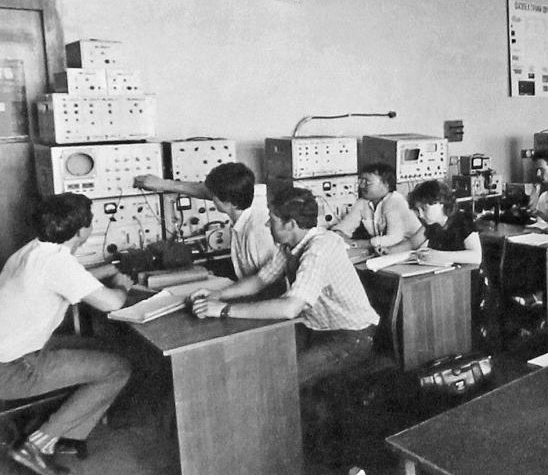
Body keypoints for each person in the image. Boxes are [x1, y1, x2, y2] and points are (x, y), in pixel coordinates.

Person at [0, 193, 133, 475]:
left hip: (15, 354)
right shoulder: (57, 263)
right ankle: (37, 443)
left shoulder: (33, 251)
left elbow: (72, 276)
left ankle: (64, 434)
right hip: (12, 370)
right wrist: (122, 285)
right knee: (118, 368)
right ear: (83, 231)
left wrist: (112, 267)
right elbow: (112, 303)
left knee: (104, 349)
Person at [188, 187, 379, 386]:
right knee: (259, 359)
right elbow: (260, 280)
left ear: (291, 224)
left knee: (278, 378)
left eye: (272, 220)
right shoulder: (290, 245)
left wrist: (225, 310)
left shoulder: (320, 248)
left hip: (351, 336)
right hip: (317, 327)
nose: (266, 224)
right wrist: (218, 294)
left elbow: (290, 308)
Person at [134, 162, 276, 279]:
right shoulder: (245, 195)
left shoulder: (257, 232)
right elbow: (206, 191)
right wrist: (163, 184)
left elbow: (269, 282)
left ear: (227, 202)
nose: (210, 198)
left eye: (214, 196)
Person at [332, 162, 419, 255]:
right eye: (361, 181)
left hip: (412, 251)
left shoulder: (395, 200)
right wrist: (338, 234)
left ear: (386, 184)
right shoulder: (362, 202)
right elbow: (344, 227)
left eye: (367, 182)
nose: (361, 186)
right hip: (386, 252)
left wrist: (358, 243)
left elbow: (394, 238)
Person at [403, 179, 482, 265]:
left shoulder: (463, 221)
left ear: (441, 203)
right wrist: (391, 253)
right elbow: (411, 244)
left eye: (424, 209)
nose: (421, 215)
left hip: (466, 272)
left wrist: (437, 255)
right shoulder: (432, 224)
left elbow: (476, 256)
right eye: (418, 210)